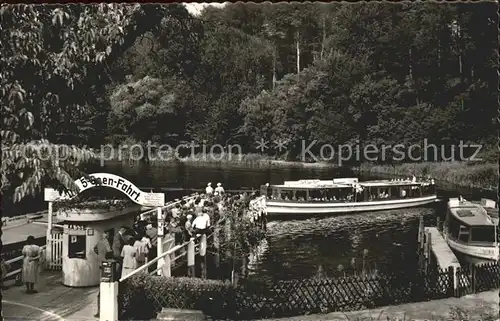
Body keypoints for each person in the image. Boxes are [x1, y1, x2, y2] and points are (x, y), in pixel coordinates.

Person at [93, 232, 113, 318]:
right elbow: (109, 252)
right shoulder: (106, 243)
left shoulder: (99, 242)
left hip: (100, 262)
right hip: (106, 263)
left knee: (101, 277)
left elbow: (94, 249)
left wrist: (99, 255)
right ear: (107, 236)